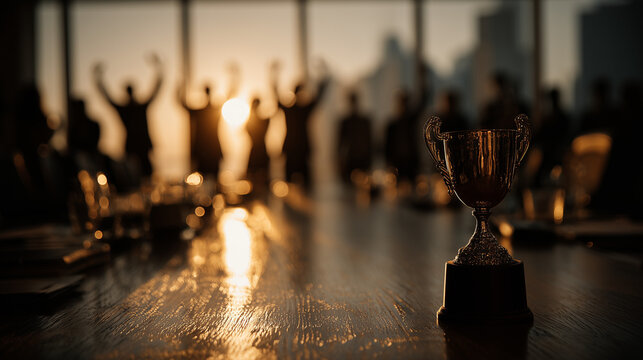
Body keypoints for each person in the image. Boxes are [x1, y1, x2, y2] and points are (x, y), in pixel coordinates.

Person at [93, 53, 163, 178]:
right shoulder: (133, 108)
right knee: (136, 175)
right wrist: (98, 79)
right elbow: (106, 96)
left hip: (138, 148)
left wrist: (159, 70)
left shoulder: (131, 108)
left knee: (143, 176)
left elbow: (106, 96)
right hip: (134, 148)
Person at [271, 60, 329, 189]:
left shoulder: (295, 110)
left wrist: (274, 74)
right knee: (295, 187)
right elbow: (320, 95)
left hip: (298, 149)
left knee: (298, 186)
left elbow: (275, 94)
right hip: (297, 149)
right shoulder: (301, 110)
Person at [337, 91, 372, 184]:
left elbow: (369, 141)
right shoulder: (348, 122)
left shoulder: (363, 122)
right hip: (352, 159)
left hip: (361, 158)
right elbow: (340, 143)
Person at [245, 97, 271, 191]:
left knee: (260, 175)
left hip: (259, 150)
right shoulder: (257, 121)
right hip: (258, 149)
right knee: (254, 175)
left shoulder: (254, 121)